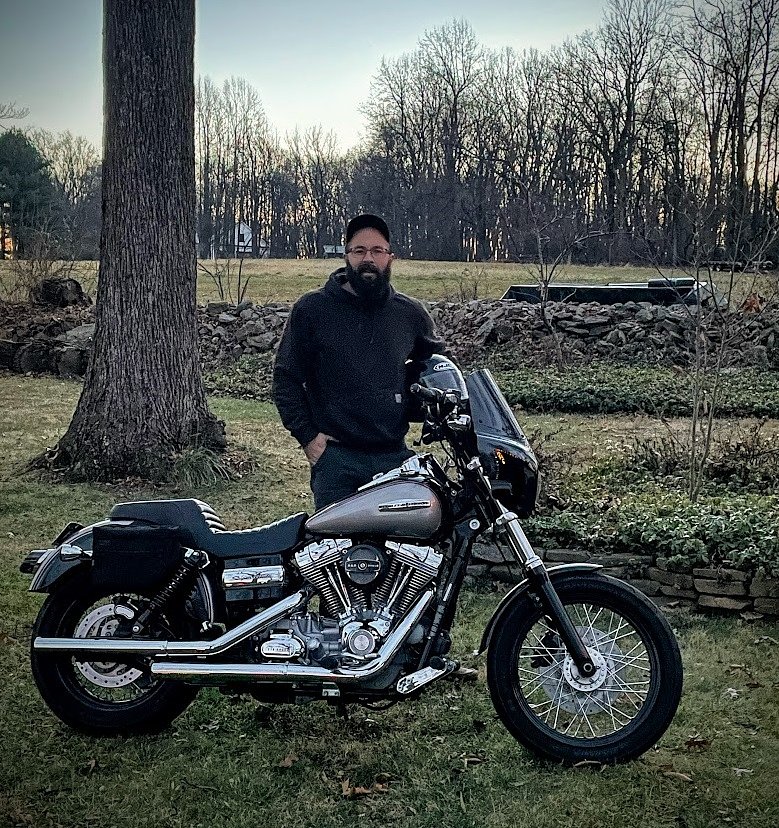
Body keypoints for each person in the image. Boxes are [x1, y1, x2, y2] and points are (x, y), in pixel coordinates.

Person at [272, 213, 445, 511]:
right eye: (359, 251)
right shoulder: (312, 310)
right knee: (337, 554)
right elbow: (285, 378)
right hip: (338, 461)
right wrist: (309, 438)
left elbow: (438, 368)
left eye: (377, 251)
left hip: (394, 459)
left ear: (391, 257)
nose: (368, 258)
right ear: (346, 256)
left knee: (402, 552)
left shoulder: (409, 314)